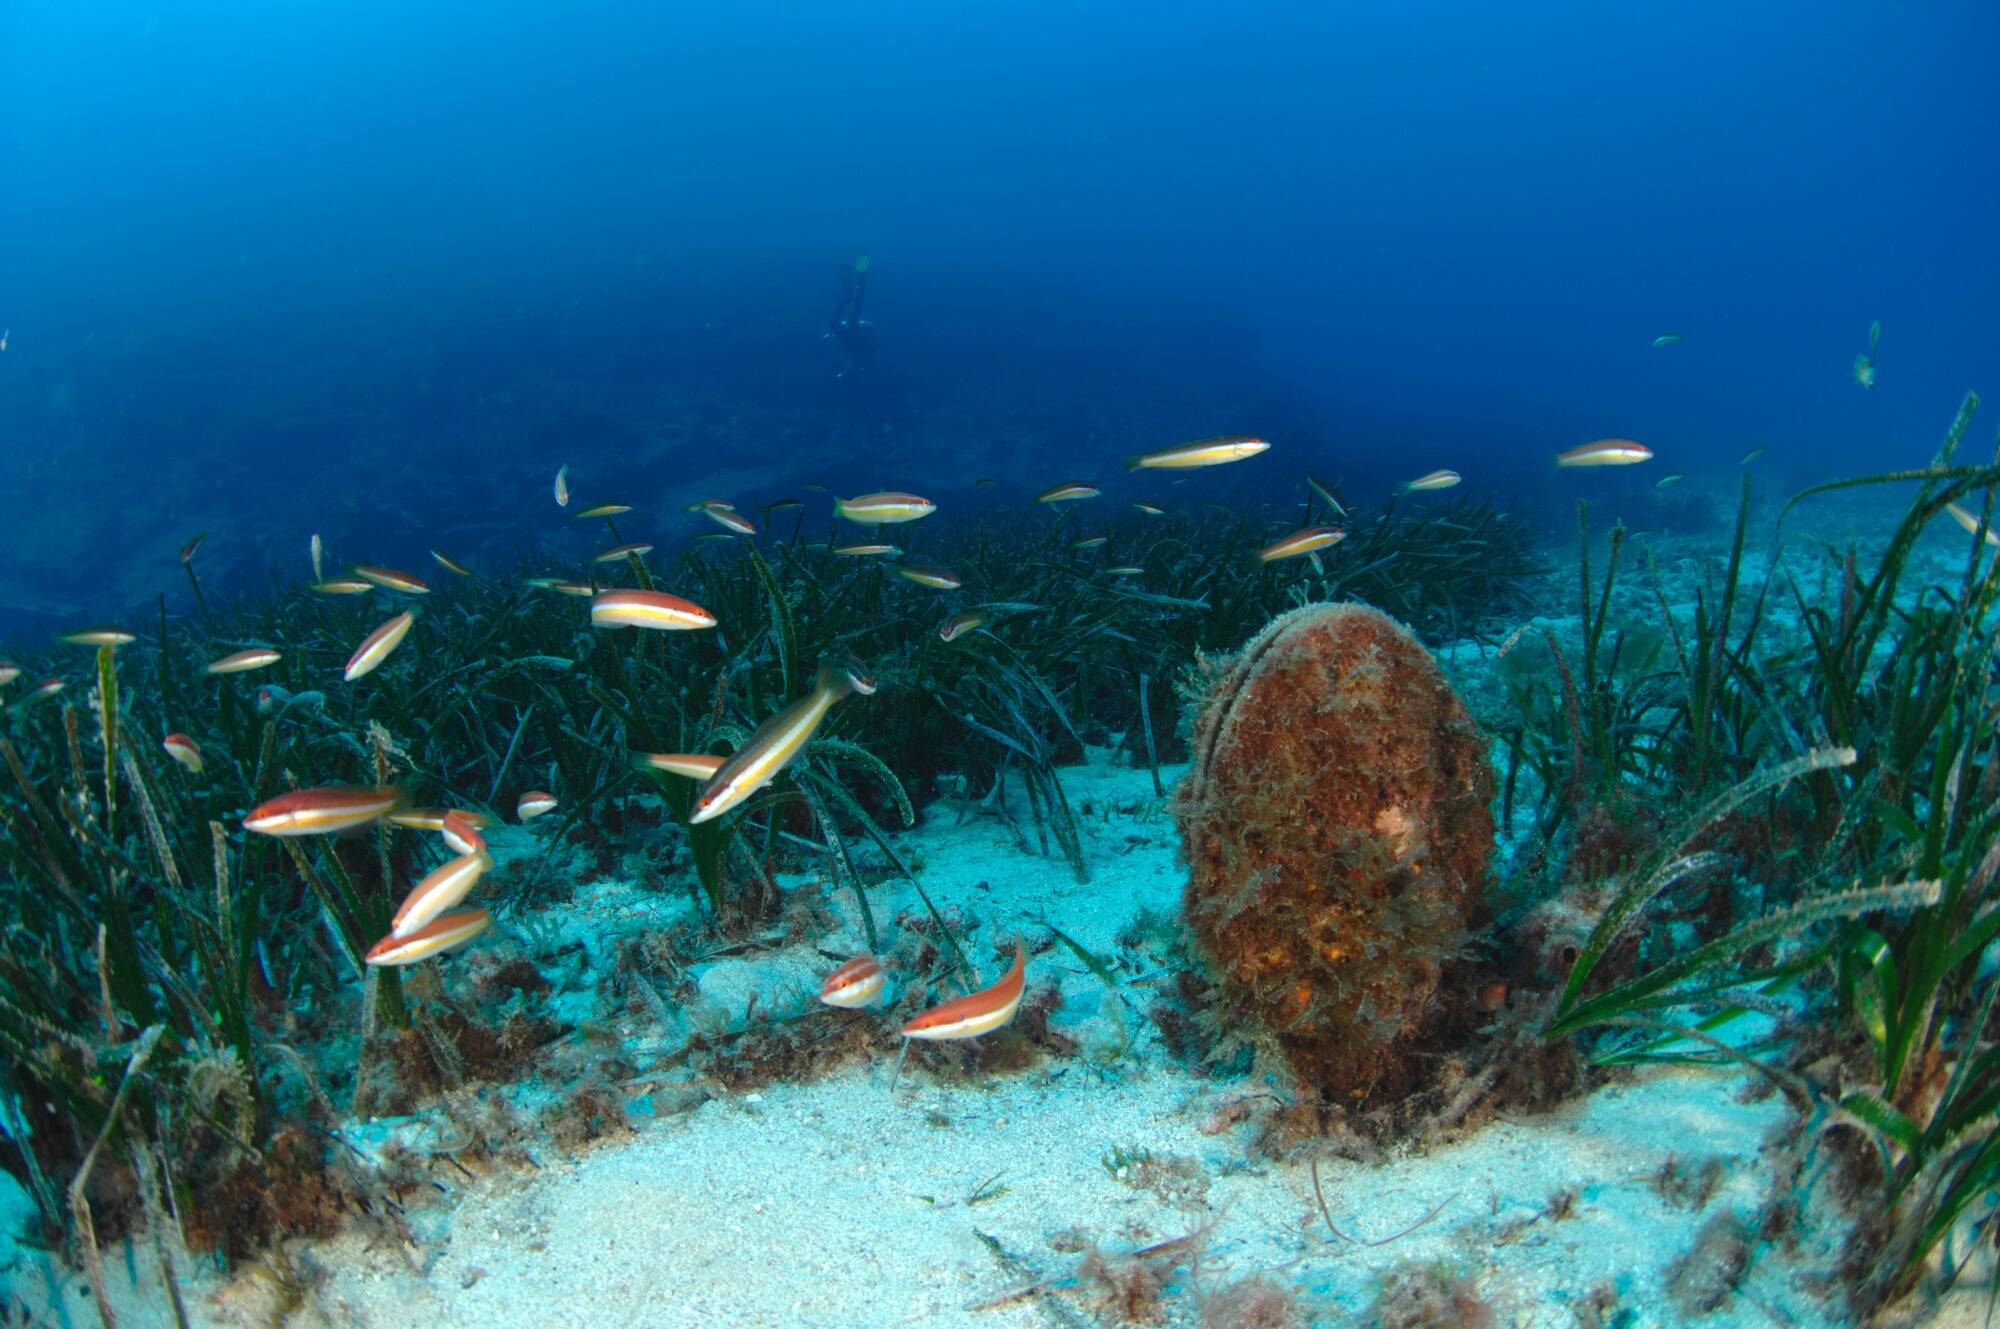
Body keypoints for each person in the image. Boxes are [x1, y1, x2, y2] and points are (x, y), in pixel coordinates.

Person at [826, 253, 874, 380]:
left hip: (849, 339)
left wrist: (832, 338)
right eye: (845, 374)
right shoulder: (856, 367)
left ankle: (848, 295)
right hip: (855, 339)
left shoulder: (843, 365)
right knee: (854, 313)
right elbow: (862, 351)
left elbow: (837, 349)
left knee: (835, 322)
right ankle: (861, 279)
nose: (844, 371)